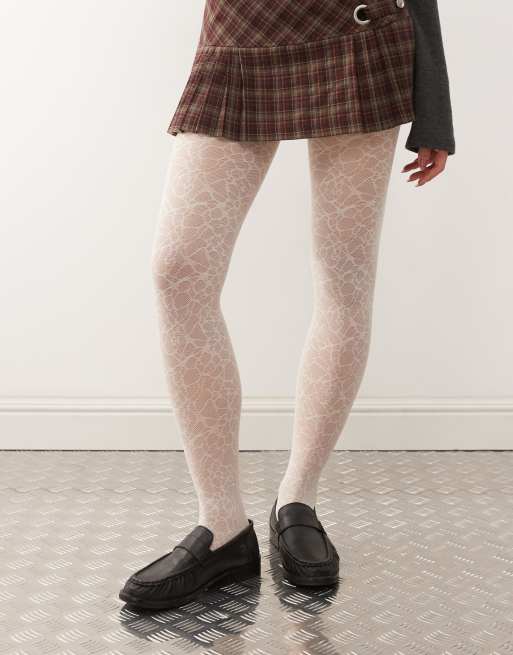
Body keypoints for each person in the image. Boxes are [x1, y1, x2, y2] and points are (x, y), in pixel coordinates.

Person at [119, 0, 455, 609]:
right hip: (240, 36)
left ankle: (299, 498)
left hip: (358, 34)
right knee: (179, 271)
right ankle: (222, 525)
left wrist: (435, 110)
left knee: (344, 276)